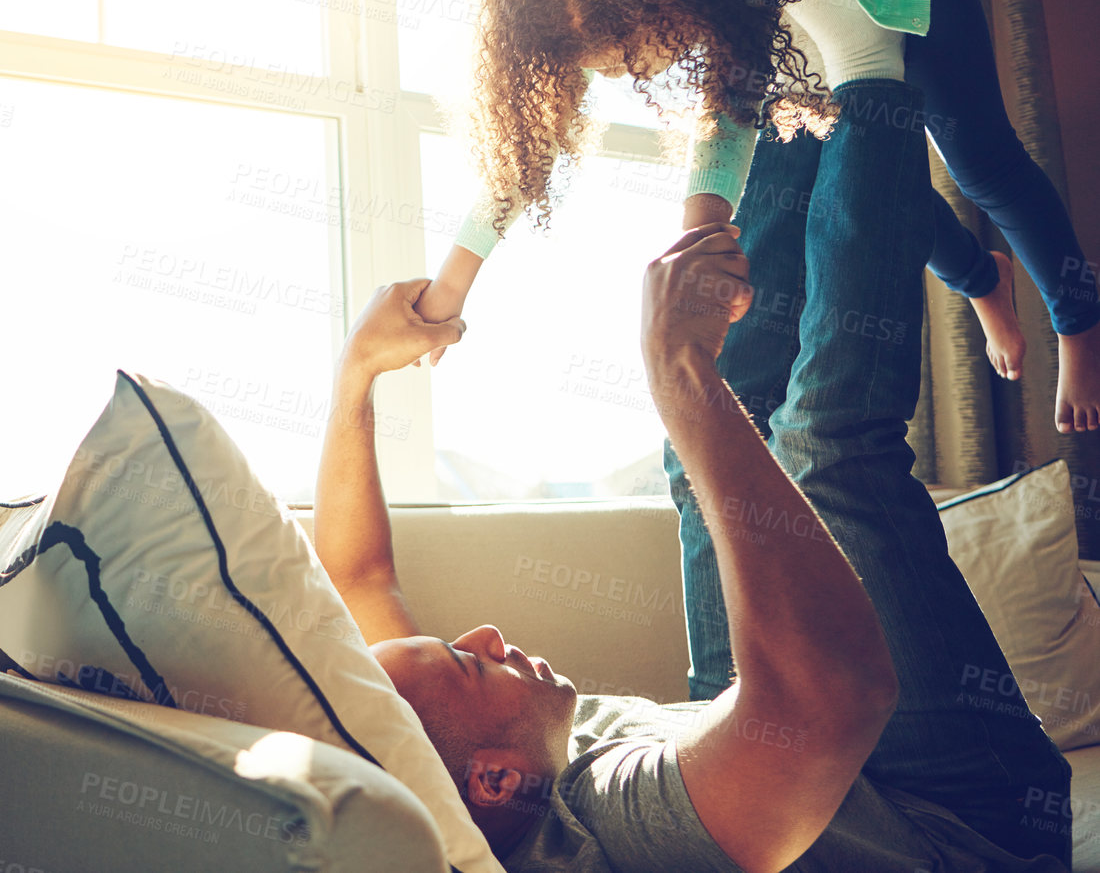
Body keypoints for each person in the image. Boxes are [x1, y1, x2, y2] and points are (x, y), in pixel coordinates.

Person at [317, 156, 1072, 869]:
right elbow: (836, 700)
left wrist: (357, 372)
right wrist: (675, 370)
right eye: (466, 662)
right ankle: (873, 82)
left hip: (738, 740)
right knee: (827, 448)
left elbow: (360, 578)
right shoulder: (604, 818)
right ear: (496, 784)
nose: (481, 633)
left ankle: (786, 99)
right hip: (956, 824)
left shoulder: (426, 758)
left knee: (700, 457)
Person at [413, 0, 1100, 436]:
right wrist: (451, 287)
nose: (620, 75)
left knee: (980, 165)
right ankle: (983, 280)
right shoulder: (589, 7)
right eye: (603, 66)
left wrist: (700, 234)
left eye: (625, 58)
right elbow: (525, 157)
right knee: (851, 180)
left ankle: (1080, 325)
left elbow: (733, 116)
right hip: (802, 29)